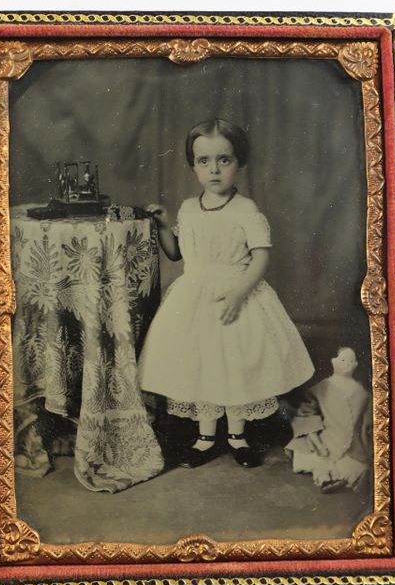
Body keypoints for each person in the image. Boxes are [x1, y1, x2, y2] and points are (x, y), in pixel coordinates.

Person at [139, 118, 314, 469]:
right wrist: (163, 225)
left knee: (235, 365)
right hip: (194, 296)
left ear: (239, 162)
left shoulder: (245, 209)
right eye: (204, 161)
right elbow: (177, 254)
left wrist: (239, 293)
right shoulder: (189, 208)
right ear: (193, 165)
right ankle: (205, 437)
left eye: (224, 160)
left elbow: (261, 256)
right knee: (203, 364)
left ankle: (237, 435)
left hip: (237, 292)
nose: (214, 170)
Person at [285, 347, 371, 493]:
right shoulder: (322, 388)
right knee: (317, 458)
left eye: (351, 361)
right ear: (333, 361)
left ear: (356, 364)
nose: (347, 364)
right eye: (343, 360)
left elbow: (367, 423)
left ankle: (350, 479)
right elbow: (307, 414)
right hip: (326, 438)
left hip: (353, 443)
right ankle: (325, 479)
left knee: (353, 462)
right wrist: (317, 441)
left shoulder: (363, 393)